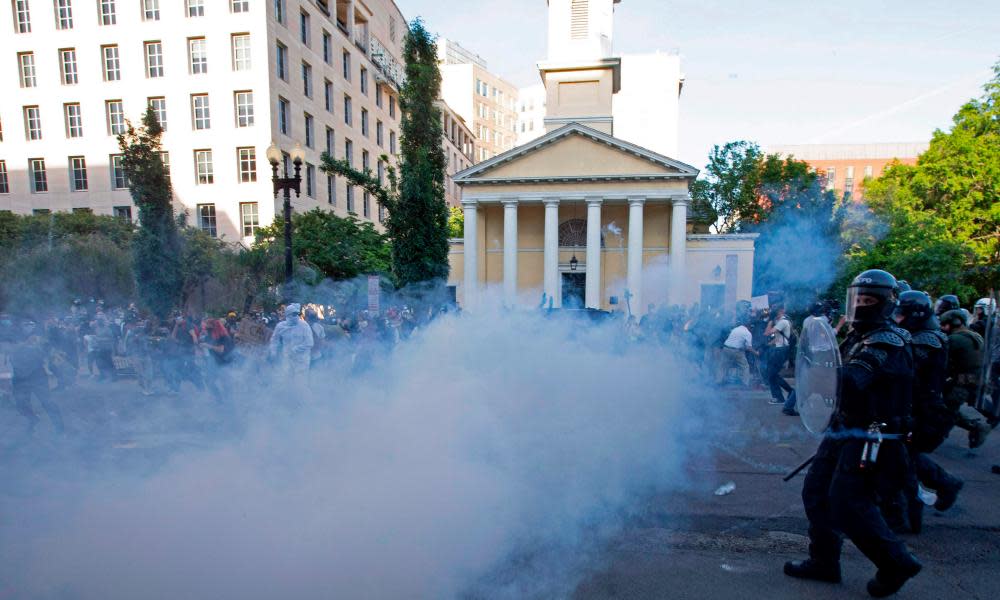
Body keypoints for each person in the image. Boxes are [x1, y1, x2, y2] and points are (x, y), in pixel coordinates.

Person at [784, 269, 921, 598]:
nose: (861, 305)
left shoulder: (887, 341)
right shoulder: (859, 337)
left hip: (873, 436)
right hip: (844, 429)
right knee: (815, 492)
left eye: (869, 300)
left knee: (849, 503)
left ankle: (896, 561)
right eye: (857, 298)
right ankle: (824, 561)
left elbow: (851, 380)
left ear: (886, 303)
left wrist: (815, 373)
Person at [885, 290, 962, 533]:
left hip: (923, 410)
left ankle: (908, 518)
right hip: (914, 406)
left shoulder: (926, 340)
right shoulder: (922, 334)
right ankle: (946, 483)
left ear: (915, 314)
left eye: (901, 315)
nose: (898, 319)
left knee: (902, 461)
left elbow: (904, 370)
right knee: (905, 455)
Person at [939, 309, 993, 448]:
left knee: (947, 408)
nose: (942, 327)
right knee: (947, 406)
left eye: (944, 324)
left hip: (965, 380)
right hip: (973, 379)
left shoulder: (955, 339)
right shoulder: (971, 335)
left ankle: (976, 427)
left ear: (955, 323)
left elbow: (941, 362)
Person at [10, 330, 64, 434]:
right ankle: (33, 418)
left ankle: (60, 428)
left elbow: (50, 354)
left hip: (37, 378)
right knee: (21, 404)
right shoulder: (12, 349)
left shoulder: (36, 347)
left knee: (47, 402)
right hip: (20, 380)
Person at [269, 303, 314, 376]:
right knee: (285, 380)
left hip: (301, 360)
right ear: (288, 315)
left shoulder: (304, 326)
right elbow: (274, 340)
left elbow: (309, 342)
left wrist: (296, 349)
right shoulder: (281, 326)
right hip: (287, 359)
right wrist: (273, 351)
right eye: (293, 314)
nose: (296, 316)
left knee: (299, 382)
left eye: (297, 314)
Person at [764, 305, 795, 406]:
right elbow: (778, 337)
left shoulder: (783, 322)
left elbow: (767, 333)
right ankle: (788, 392)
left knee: (771, 374)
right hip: (779, 350)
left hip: (781, 351)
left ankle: (780, 397)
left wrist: (770, 322)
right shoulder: (781, 321)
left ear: (782, 311)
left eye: (776, 311)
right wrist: (769, 344)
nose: (774, 312)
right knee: (772, 374)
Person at [717, 317, 754, 386]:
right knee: (745, 366)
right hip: (736, 351)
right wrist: (756, 353)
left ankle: (719, 381)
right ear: (749, 326)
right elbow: (749, 348)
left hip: (726, 348)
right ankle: (745, 383)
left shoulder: (735, 329)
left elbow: (733, 339)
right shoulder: (748, 333)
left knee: (723, 365)